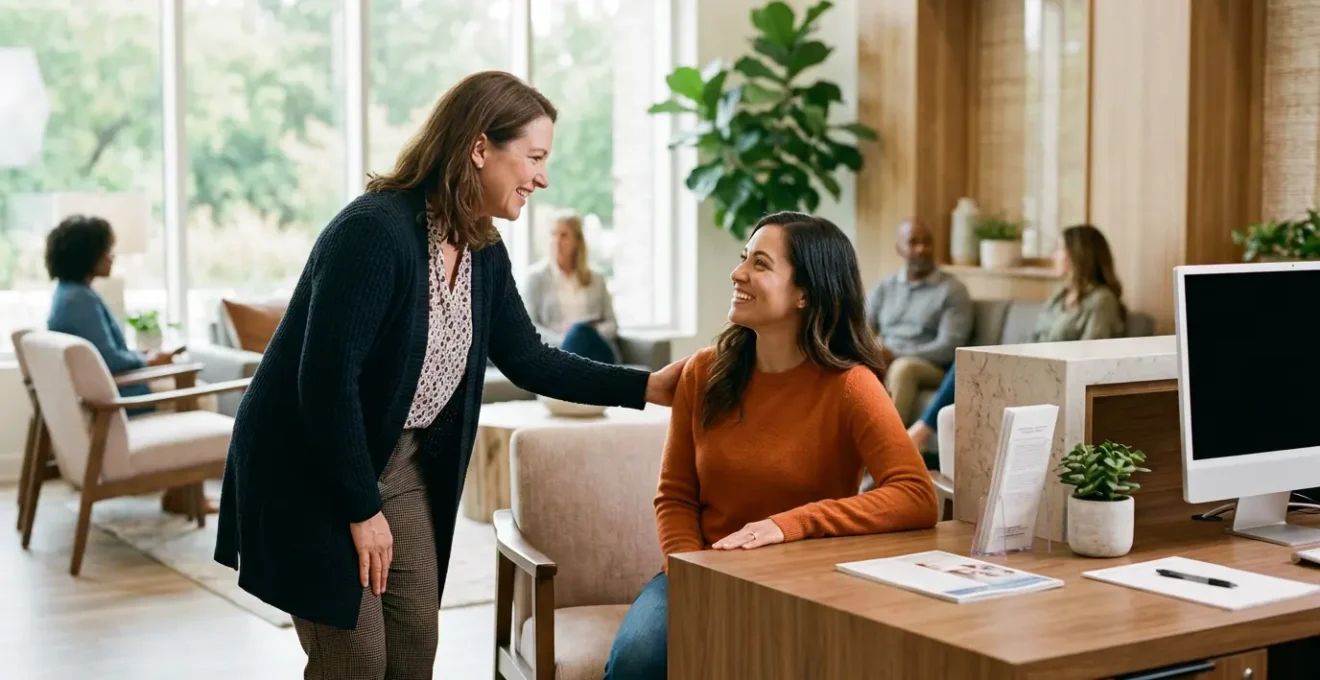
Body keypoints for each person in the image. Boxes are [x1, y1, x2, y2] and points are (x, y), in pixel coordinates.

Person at [212, 70, 685, 680]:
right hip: (313, 464)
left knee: (414, 647)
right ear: (480, 147)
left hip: (398, 461)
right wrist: (360, 510)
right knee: (356, 660)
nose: (542, 178)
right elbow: (326, 385)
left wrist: (647, 387)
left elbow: (529, 358)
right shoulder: (374, 231)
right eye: (534, 158)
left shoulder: (482, 248)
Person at [602, 212, 939, 680]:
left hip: (804, 583)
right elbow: (675, 495)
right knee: (639, 659)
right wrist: (690, 571)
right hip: (700, 570)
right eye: (745, 258)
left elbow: (916, 495)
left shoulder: (851, 386)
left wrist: (790, 524)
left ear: (805, 293)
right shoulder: (703, 372)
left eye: (760, 263)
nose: (738, 273)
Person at [907, 223, 1126, 450]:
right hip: (1032, 370)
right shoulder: (1060, 296)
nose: (1055, 255)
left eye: (1060, 249)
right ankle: (924, 441)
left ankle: (919, 434)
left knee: (969, 369)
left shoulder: (1102, 301)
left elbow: (1091, 357)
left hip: (1057, 379)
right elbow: (1035, 340)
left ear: (1079, 255)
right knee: (965, 368)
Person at [44, 214, 205, 514]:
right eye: (106, 251)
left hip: (104, 392)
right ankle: (184, 495)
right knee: (201, 393)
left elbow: (100, 353)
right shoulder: (80, 300)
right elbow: (110, 360)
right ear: (88, 256)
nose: (111, 257)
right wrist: (147, 359)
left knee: (186, 382)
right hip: (117, 396)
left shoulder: (68, 294)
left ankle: (181, 493)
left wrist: (142, 358)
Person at [865, 218, 974, 425]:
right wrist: (871, 350)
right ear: (900, 248)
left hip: (930, 366)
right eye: (913, 242)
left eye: (927, 242)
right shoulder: (886, 286)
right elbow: (860, 328)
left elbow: (949, 348)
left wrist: (895, 354)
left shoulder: (952, 290)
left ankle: (889, 448)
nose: (922, 248)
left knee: (903, 367)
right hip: (885, 358)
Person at [521, 211, 619, 363]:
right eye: (553, 234)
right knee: (576, 336)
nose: (556, 241)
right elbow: (529, 327)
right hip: (558, 348)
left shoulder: (597, 279)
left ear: (577, 241)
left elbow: (612, 325)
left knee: (580, 331)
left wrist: (589, 332)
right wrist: (566, 338)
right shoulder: (535, 278)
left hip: (595, 348)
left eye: (564, 235)